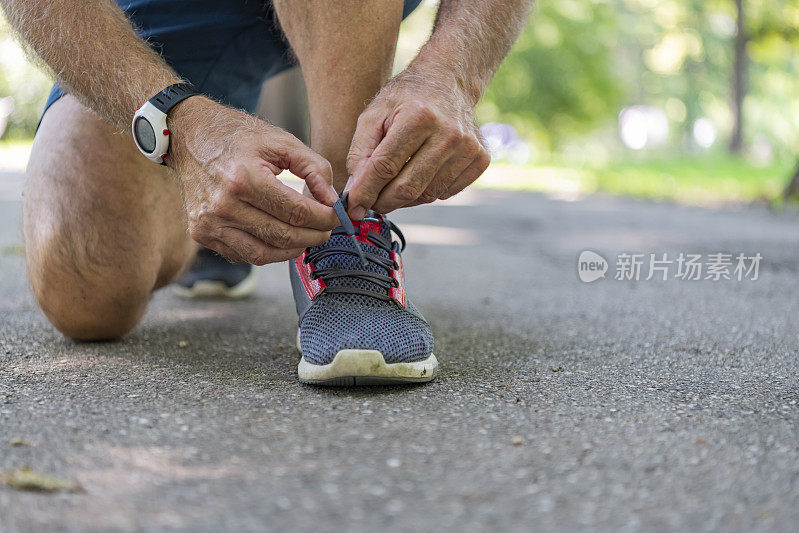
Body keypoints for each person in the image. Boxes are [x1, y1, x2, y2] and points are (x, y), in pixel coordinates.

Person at [1, 0, 531, 385]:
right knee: (87, 285)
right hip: (159, 11)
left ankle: (348, 232)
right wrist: (184, 132)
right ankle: (223, 216)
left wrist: (454, 72)